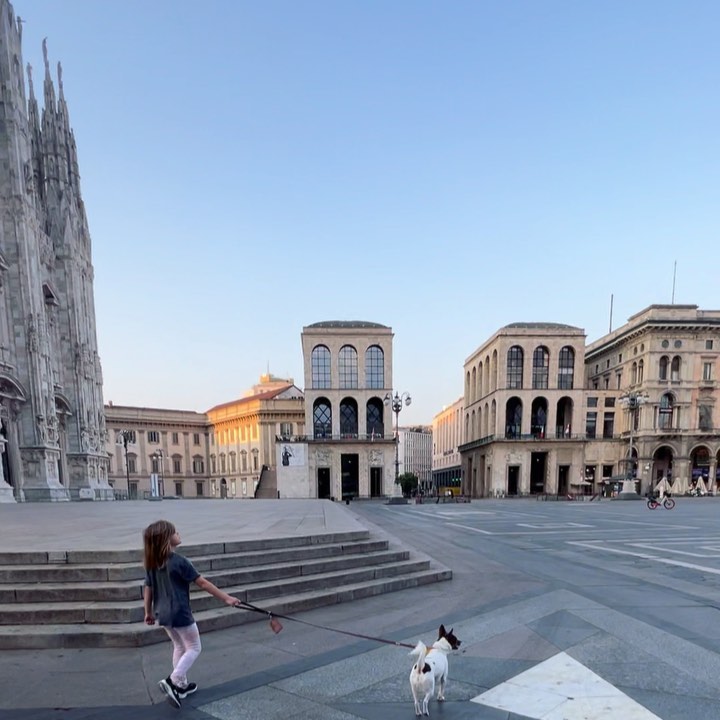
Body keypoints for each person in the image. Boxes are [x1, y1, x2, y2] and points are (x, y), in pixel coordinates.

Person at [143, 520, 240, 708]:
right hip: (179, 612)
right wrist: (226, 598)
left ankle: (181, 685)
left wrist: (147, 611)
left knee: (179, 646)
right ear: (166, 539)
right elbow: (202, 583)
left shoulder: (152, 563)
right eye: (174, 532)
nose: (178, 533)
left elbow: (148, 588)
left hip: (162, 614)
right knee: (194, 647)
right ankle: (173, 680)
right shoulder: (179, 561)